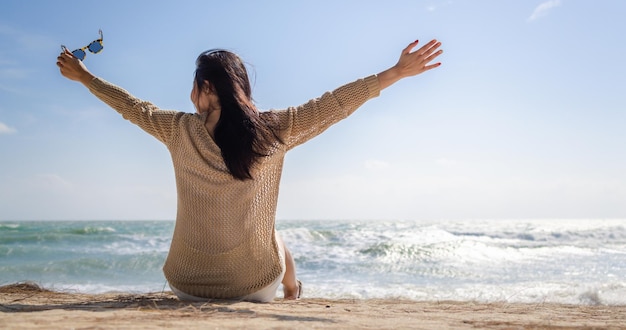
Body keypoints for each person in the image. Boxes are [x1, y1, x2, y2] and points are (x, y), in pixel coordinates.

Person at [56, 37, 443, 302]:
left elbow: (130, 106)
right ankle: (293, 293)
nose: (189, 96)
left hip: (187, 285)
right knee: (272, 230)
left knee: (266, 226)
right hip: (255, 288)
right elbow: (334, 104)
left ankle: (290, 290)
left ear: (206, 87)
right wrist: (395, 73)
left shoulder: (177, 129)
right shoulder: (274, 129)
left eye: (193, 87)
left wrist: (84, 75)